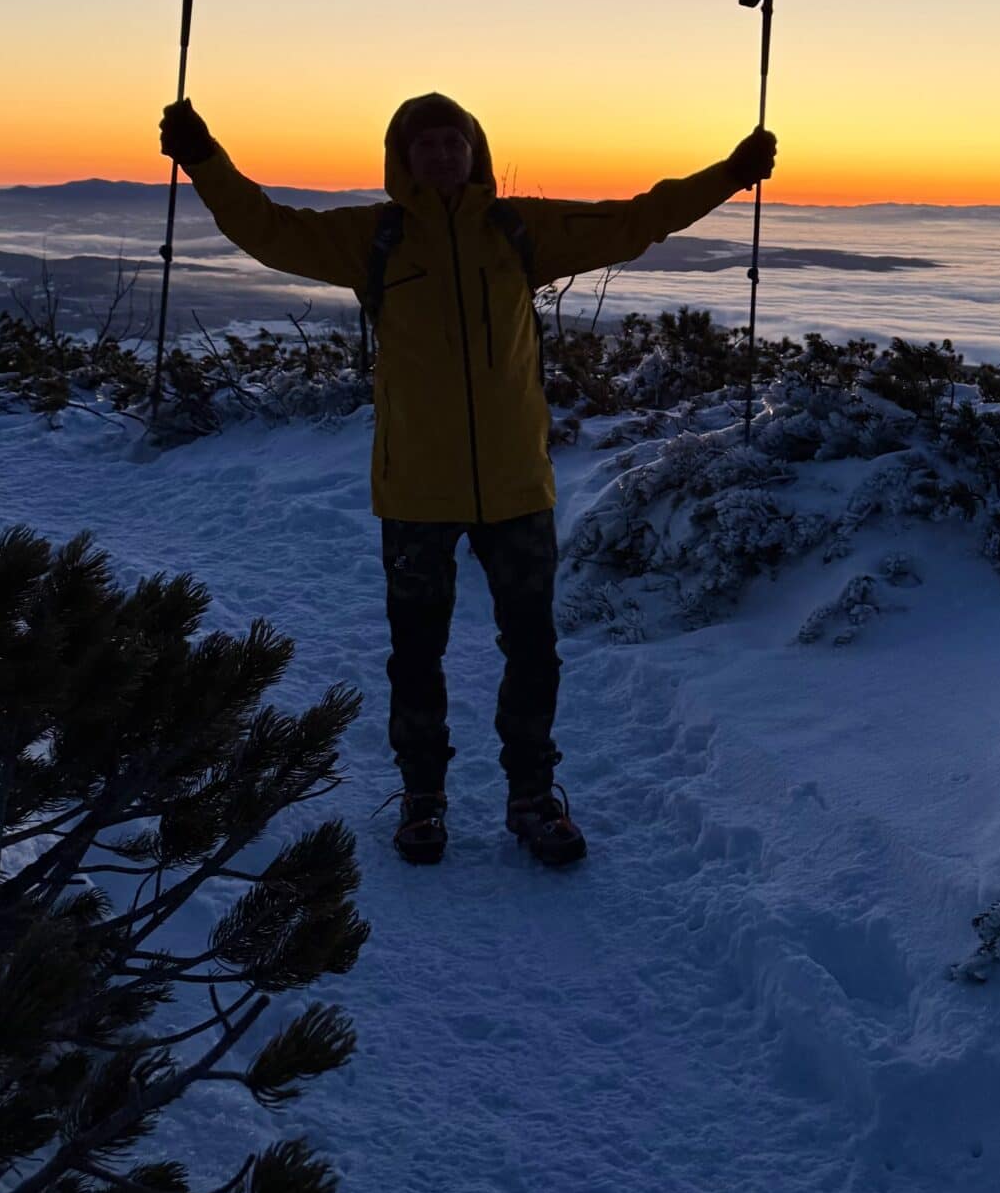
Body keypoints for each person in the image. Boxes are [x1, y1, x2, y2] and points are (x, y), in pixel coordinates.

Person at [158, 90, 777, 867]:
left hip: (515, 485)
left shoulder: (518, 229)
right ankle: (422, 798)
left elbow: (636, 219)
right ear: (402, 159)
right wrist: (204, 158)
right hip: (417, 488)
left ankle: (532, 797)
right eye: (427, 145)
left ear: (475, 152)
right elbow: (267, 228)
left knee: (534, 650)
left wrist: (730, 173)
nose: (443, 155)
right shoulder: (375, 237)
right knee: (417, 653)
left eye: (455, 142)